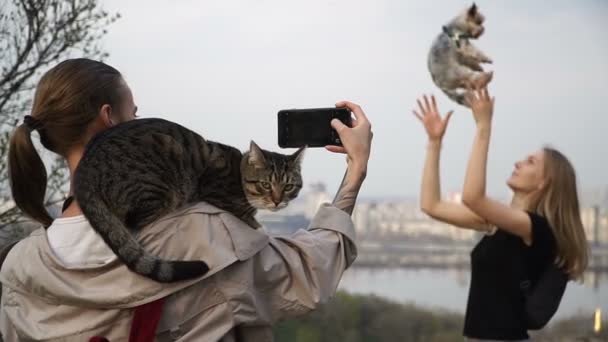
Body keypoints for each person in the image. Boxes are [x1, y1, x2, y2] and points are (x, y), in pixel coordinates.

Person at [1, 58, 373, 341]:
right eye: (134, 115)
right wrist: (355, 171)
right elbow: (308, 271)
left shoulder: (20, 270)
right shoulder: (205, 237)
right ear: (109, 120)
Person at [413, 86, 588, 341]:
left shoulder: (536, 228)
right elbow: (431, 206)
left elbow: (473, 197)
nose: (518, 162)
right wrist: (434, 142)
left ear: (544, 183)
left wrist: (483, 126)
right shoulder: (500, 223)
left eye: (530, 162)